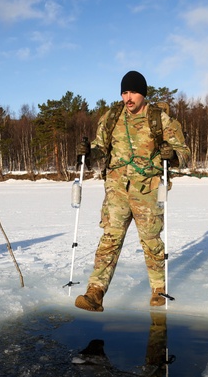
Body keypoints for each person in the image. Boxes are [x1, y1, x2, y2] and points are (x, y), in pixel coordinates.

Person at [74, 70, 191, 312]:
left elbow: (184, 152)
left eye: (134, 92)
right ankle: (95, 292)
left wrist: (173, 156)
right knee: (110, 239)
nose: (128, 98)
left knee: (150, 240)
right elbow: (100, 147)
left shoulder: (161, 120)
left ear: (143, 94)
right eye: (125, 92)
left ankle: (158, 290)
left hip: (147, 189)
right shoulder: (111, 117)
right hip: (116, 189)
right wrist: (87, 151)